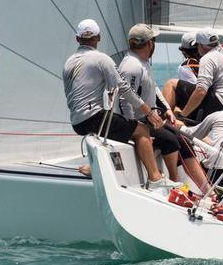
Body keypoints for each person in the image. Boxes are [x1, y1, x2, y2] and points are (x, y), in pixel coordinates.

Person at [62, 19, 180, 189]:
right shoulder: (102, 59)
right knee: (141, 130)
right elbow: (123, 88)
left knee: (121, 127)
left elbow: (69, 94)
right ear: (99, 37)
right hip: (92, 117)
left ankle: (96, 166)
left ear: (77, 39)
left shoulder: (69, 62)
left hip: (76, 121)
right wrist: (148, 113)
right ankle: (155, 178)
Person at [117, 23, 183, 182]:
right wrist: (133, 128)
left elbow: (154, 88)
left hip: (147, 118)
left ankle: (174, 178)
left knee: (177, 134)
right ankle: (173, 180)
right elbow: (125, 99)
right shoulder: (132, 66)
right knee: (170, 140)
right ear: (149, 43)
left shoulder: (143, 62)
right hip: (138, 121)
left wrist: (167, 109)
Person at [177, 28, 223, 122]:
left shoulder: (207, 58)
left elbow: (201, 91)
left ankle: (171, 125)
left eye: (197, 45)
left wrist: (182, 116)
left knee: (171, 85)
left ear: (202, 46)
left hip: (220, 104)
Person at [162, 31, 199, 111]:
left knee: (170, 84)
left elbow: (193, 94)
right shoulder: (208, 61)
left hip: (200, 105)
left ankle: (166, 119)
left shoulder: (185, 67)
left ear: (184, 51)